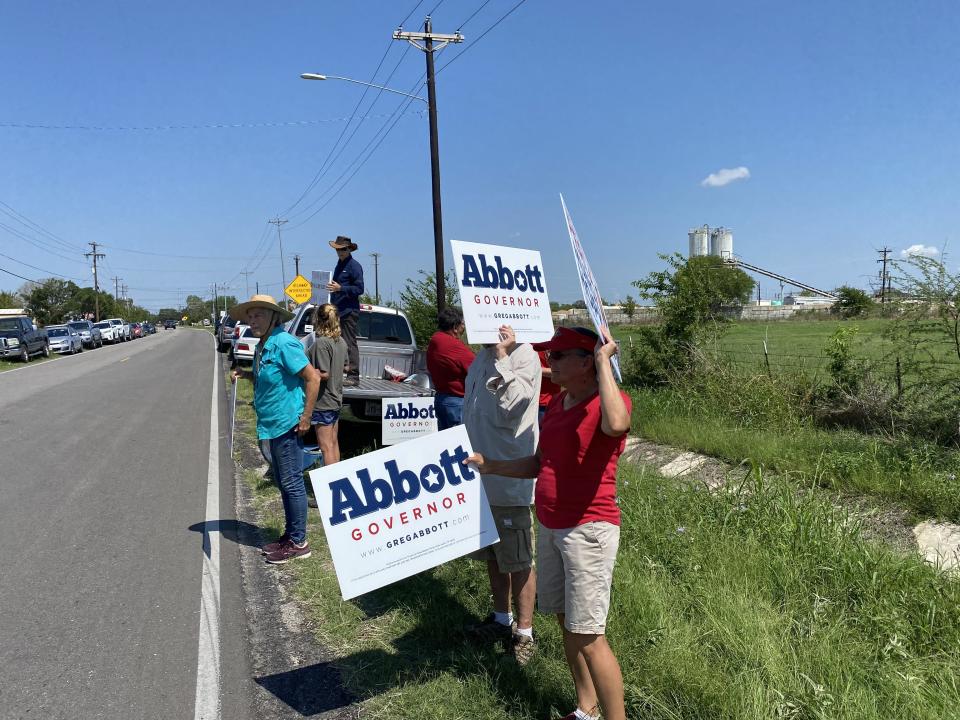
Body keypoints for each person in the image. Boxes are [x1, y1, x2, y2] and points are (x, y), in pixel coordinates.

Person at [465, 326, 631, 720]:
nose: (547, 362)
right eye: (547, 355)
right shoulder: (559, 403)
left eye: (556, 356)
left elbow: (618, 425)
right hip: (553, 526)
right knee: (567, 624)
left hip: (587, 530)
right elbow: (540, 463)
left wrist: (605, 361)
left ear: (586, 361)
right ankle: (586, 709)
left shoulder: (608, 402)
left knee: (589, 635)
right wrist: (493, 466)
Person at [462, 324, 541, 665]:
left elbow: (513, 405)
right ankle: (500, 618)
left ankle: (524, 632)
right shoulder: (480, 358)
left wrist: (502, 355)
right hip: (481, 477)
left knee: (519, 558)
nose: (468, 327)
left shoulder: (524, 357)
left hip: (509, 479)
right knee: (494, 557)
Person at [230, 294, 321, 565]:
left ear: (273, 317)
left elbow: (313, 378)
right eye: (250, 316)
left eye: (258, 315)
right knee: (283, 481)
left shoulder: (284, 343)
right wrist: (246, 375)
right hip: (271, 424)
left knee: (292, 482)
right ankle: (290, 535)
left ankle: (299, 542)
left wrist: (306, 417)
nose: (252, 320)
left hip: (287, 423)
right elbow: (270, 377)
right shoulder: (264, 344)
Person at [307, 303, 347, 465]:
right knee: (333, 442)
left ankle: (330, 486)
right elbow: (345, 365)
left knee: (325, 447)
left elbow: (324, 374)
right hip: (336, 399)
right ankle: (338, 478)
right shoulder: (341, 342)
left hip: (323, 402)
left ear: (318, 320)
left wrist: (305, 371)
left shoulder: (321, 343)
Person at [426, 306, 475, 430]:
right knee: (463, 443)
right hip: (456, 403)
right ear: (455, 327)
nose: (464, 328)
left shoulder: (435, 340)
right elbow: (477, 369)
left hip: (442, 399)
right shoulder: (454, 346)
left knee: (448, 443)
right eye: (462, 324)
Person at [326, 235, 364, 387]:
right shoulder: (339, 265)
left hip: (349, 311)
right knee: (337, 342)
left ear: (349, 249)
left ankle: (353, 376)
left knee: (349, 342)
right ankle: (338, 372)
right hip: (338, 310)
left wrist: (341, 288)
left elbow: (359, 289)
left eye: (343, 249)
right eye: (338, 249)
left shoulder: (354, 266)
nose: (340, 252)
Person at [537, 349, 562, 424]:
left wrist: (535, 369)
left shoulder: (552, 344)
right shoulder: (527, 343)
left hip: (546, 402)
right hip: (528, 400)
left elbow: (560, 371)